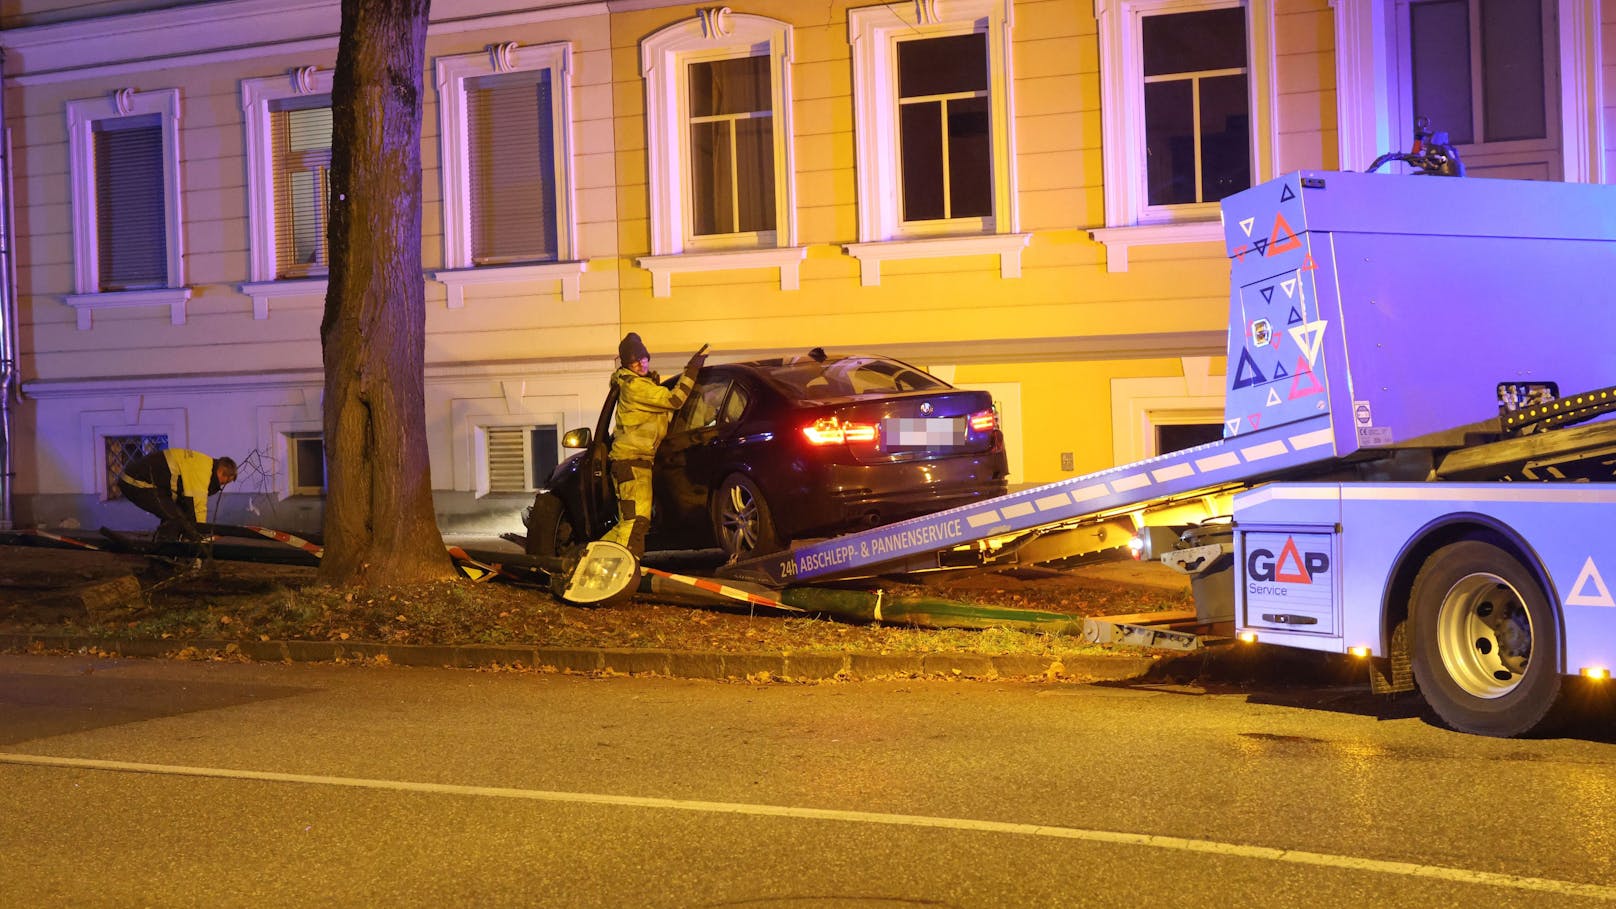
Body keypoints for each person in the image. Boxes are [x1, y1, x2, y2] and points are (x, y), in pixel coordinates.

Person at [600, 332, 706, 557]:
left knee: (631, 522)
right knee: (635, 522)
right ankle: (624, 570)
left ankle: (592, 556)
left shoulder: (639, 385)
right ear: (626, 364)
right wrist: (692, 370)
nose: (640, 364)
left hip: (633, 464)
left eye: (643, 358)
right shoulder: (636, 387)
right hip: (632, 463)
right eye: (634, 361)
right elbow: (675, 400)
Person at [116, 449, 238, 542]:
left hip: (143, 482)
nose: (221, 486)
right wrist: (199, 538)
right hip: (136, 482)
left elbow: (186, 504)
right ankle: (163, 556)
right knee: (175, 518)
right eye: (224, 482)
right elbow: (197, 507)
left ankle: (167, 552)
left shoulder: (204, 464)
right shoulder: (202, 472)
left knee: (176, 515)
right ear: (222, 472)